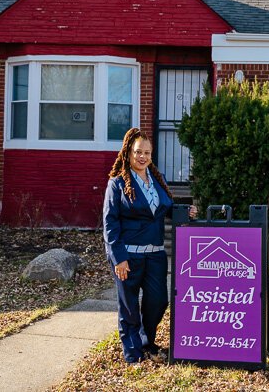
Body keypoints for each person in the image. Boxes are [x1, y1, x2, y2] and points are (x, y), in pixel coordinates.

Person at [103, 127, 196, 363]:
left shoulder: (157, 179)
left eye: (146, 152)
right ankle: (133, 352)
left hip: (155, 254)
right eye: (137, 152)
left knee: (158, 301)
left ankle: (146, 339)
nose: (142, 156)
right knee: (129, 307)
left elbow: (164, 209)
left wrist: (185, 211)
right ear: (128, 153)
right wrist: (118, 257)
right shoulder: (117, 184)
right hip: (128, 256)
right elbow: (110, 224)